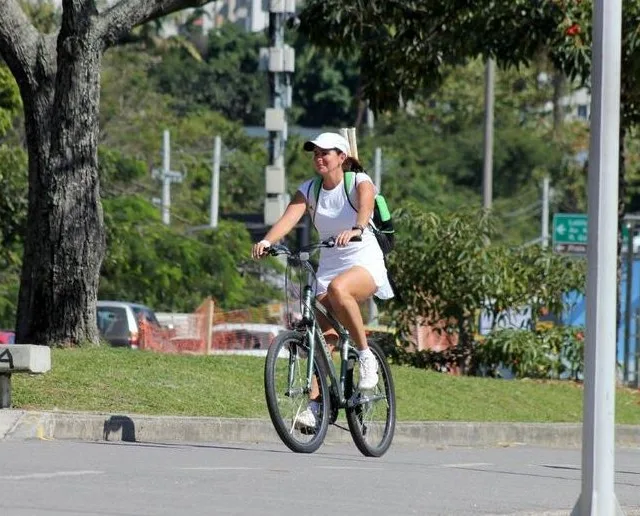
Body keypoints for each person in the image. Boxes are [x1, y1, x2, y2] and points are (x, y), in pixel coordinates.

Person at [252, 132, 394, 429]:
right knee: (320, 338)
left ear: (341, 157)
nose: (318, 158)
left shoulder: (358, 182)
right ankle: (317, 406)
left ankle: (367, 357)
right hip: (329, 263)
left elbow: (366, 205)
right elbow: (290, 218)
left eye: (325, 153)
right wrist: (267, 241)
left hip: (363, 260)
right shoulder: (310, 189)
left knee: (339, 290)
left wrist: (357, 227)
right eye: (315, 153)